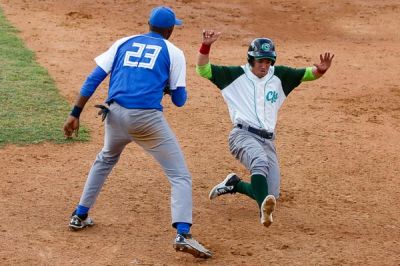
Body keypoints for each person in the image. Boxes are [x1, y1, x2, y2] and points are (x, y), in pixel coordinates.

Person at [62, 6, 212, 259]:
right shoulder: (173, 52)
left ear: (149, 25)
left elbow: (93, 78)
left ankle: (79, 214)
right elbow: (180, 100)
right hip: (146, 121)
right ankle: (183, 233)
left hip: (114, 115)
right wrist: (165, 87)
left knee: (105, 159)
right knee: (180, 176)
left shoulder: (124, 42)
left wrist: (75, 113)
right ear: (170, 29)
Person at [196, 30, 334, 227]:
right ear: (251, 60)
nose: (264, 65)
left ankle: (234, 184)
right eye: (260, 61)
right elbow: (203, 70)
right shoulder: (234, 75)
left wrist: (321, 70)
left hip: (267, 140)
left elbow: (307, 74)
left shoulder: (280, 76)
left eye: (268, 61)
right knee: (259, 163)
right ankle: (264, 211)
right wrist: (206, 46)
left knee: (272, 192)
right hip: (242, 135)